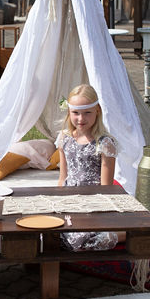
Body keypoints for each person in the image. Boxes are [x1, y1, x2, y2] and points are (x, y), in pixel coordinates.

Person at [56, 83, 119, 251]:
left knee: (84, 240)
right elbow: (63, 178)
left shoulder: (104, 143)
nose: (81, 119)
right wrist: (58, 203)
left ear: (97, 111)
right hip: (70, 202)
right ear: (69, 112)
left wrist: (99, 210)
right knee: (50, 233)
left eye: (87, 113)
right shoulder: (64, 138)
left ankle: (122, 232)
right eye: (75, 113)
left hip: (92, 204)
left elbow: (106, 187)